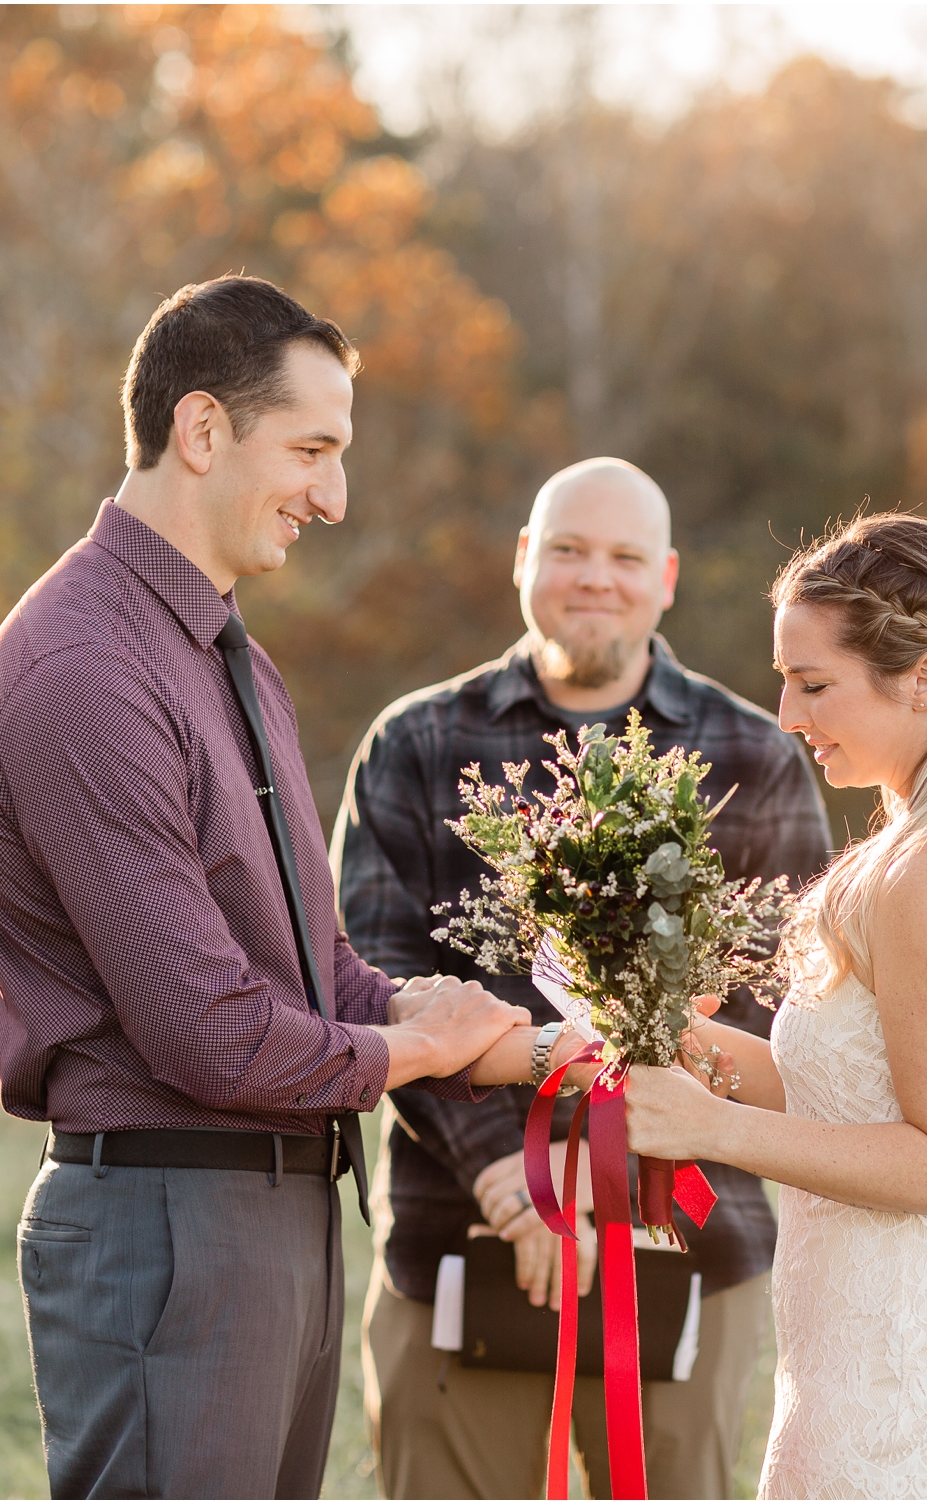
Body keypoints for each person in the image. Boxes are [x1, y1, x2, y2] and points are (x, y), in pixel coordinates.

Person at [0, 276, 584, 1500]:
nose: (334, 496)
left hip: (281, 1215)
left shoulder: (235, 660)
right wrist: (420, 1049)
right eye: (312, 449)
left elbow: (317, 971)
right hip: (169, 1227)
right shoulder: (85, 668)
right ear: (201, 432)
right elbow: (207, 1032)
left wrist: (534, 1046)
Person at [331, 457, 832, 1498]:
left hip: (684, 1227)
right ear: (524, 559)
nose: (592, 576)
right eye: (566, 548)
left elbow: (783, 996)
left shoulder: (754, 751)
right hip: (455, 1225)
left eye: (622, 556)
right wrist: (513, 1180)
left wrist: (615, 1173)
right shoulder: (414, 742)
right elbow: (368, 982)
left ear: (667, 577)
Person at [620, 511, 927, 1498]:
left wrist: (710, 1127)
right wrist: (670, 1041)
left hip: (910, 1376)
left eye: (813, 684)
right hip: (863, 1348)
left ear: (922, 679)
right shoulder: (926, 841)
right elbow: (845, 1090)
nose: (784, 712)